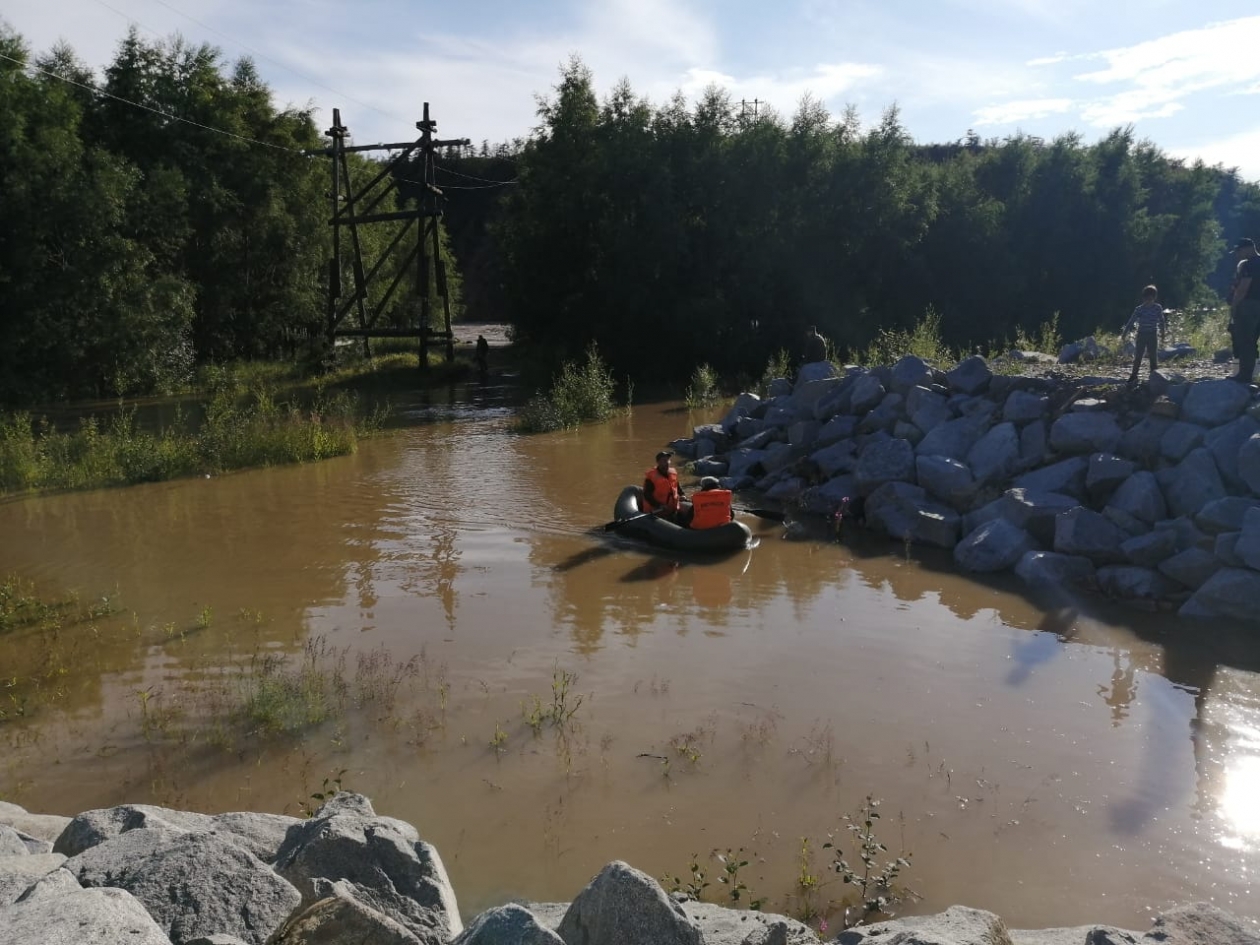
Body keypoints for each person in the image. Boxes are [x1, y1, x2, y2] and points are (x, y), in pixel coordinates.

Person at [1120, 285, 1167, 386]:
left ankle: (1154, 375)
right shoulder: (1139, 309)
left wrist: (1163, 333)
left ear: (1154, 298)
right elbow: (1131, 321)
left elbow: (1162, 321)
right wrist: (1124, 333)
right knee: (1138, 356)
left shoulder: (1157, 308)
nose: (1148, 300)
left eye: (1151, 298)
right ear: (1143, 298)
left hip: (1152, 335)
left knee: (1153, 356)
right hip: (1141, 335)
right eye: (1146, 298)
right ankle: (1134, 375)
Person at [1230, 238, 1260, 384]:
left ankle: (1245, 375)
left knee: (1246, 341)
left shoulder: (1249, 265)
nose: (1238, 254)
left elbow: (1243, 289)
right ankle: (1254, 374)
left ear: (1249, 248)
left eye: (1239, 250)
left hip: (1249, 305)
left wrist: (1234, 306)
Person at [642, 450, 687, 522]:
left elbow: (677, 486)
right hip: (657, 511)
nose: (667, 463)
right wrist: (659, 505)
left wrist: (682, 494)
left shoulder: (672, 473)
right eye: (664, 460)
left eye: (668, 460)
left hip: (671, 508)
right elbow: (647, 495)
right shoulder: (651, 477)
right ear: (658, 462)